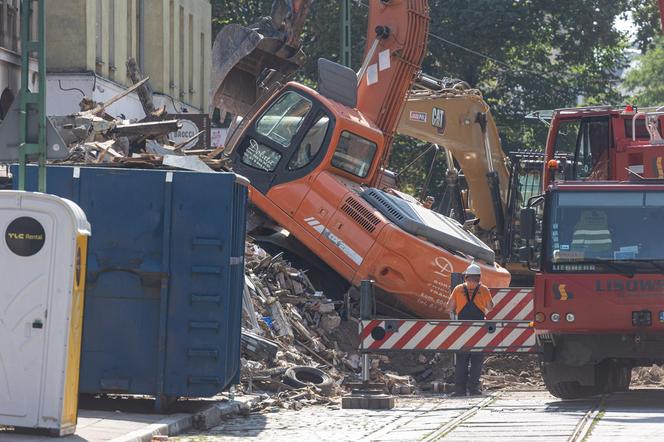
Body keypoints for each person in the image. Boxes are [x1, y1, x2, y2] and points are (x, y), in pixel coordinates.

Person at [445, 263, 494, 397]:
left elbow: (448, 308)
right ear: (479, 277)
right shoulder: (484, 289)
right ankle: (473, 390)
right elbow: (490, 307)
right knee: (477, 360)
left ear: (466, 276)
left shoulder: (458, 289)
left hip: (462, 328)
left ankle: (460, 390)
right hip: (478, 329)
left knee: (462, 360)